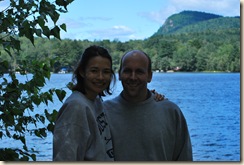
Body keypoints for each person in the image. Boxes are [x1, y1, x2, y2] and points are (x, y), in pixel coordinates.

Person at [103, 50, 193, 161]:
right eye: (127, 71)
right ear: (120, 74)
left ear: (149, 76)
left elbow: (184, 158)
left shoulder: (171, 112)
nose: (133, 77)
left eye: (139, 72)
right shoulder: (104, 112)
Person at [53, 45, 116, 161]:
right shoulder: (75, 107)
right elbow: (65, 157)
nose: (100, 77)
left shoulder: (96, 102)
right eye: (94, 71)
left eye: (106, 72)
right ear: (82, 71)